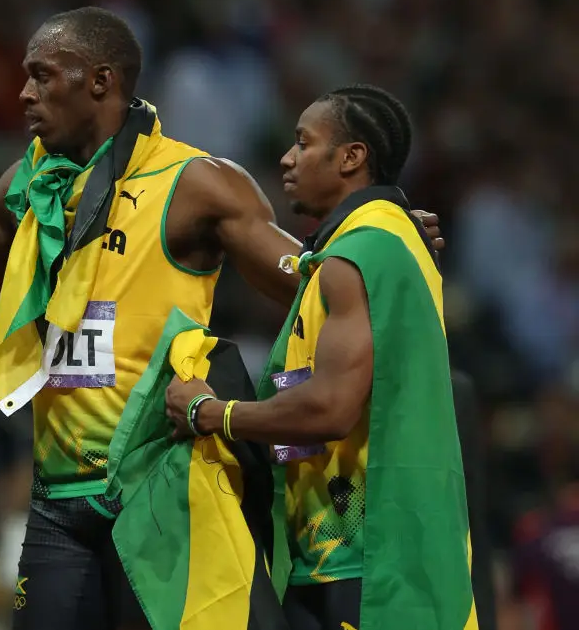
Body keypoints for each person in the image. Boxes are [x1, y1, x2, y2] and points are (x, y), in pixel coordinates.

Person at [0, 9, 443, 630]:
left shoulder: (195, 183)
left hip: (159, 485)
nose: (23, 93)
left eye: (43, 75)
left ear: (100, 81)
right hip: (57, 498)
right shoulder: (29, 185)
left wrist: (377, 245)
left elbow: (308, 283)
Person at [166, 85, 475, 630]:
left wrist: (213, 413)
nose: (287, 158)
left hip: (368, 562)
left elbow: (330, 408)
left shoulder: (362, 250)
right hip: (341, 552)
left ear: (351, 157)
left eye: (304, 143)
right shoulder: (367, 245)